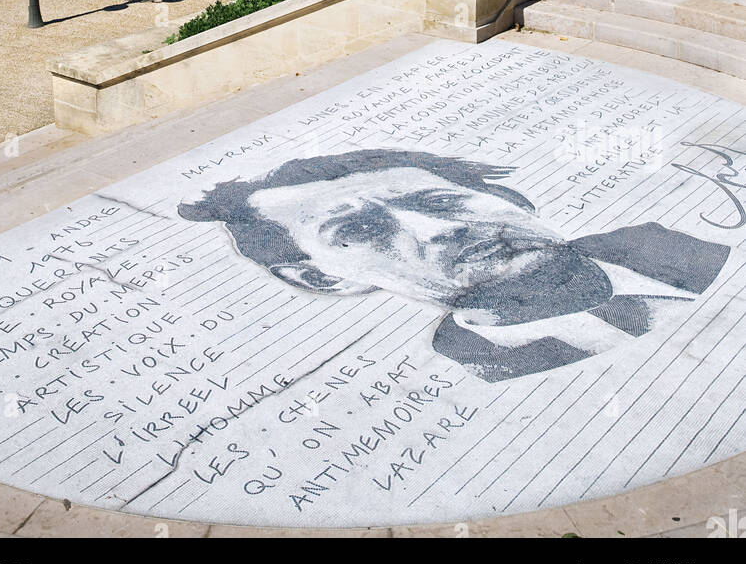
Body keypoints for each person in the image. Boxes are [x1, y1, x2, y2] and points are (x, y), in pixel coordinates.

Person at [178, 148, 730, 384]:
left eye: (438, 201)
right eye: (361, 230)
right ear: (320, 276)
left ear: (513, 197)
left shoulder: (684, 246)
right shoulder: (482, 367)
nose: (441, 230)